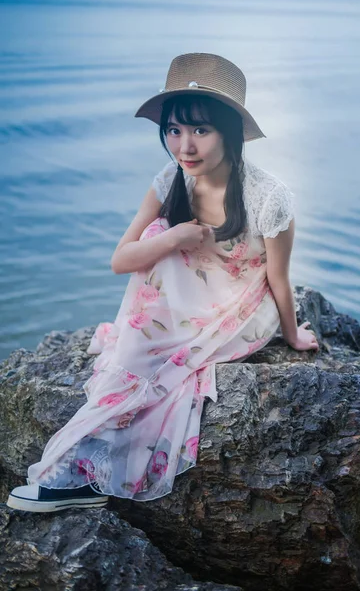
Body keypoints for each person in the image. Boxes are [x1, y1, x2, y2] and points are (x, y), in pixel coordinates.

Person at [7, 53, 319, 513]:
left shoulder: (268, 197)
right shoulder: (170, 180)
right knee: (157, 241)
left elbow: (277, 278)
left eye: (199, 130)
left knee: (164, 371)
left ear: (229, 132)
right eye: (174, 130)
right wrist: (176, 235)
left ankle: (89, 477)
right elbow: (121, 260)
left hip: (239, 308)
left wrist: (292, 335)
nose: (184, 146)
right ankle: (88, 462)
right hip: (186, 296)